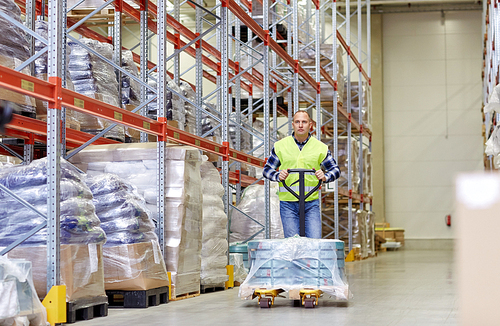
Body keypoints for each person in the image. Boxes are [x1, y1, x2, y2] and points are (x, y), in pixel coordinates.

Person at [263, 110, 341, 239]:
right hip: (288, 203)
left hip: (311, 202)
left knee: (314, 241)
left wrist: (325, 176)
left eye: (304, 122)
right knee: (293, 243)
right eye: (297, 122)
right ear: (292, 124)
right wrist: (277, 176)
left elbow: (335, 170)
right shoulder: (280, 146)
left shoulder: (320, 147)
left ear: (310, 125)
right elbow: (267, 170)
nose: (300, 125)